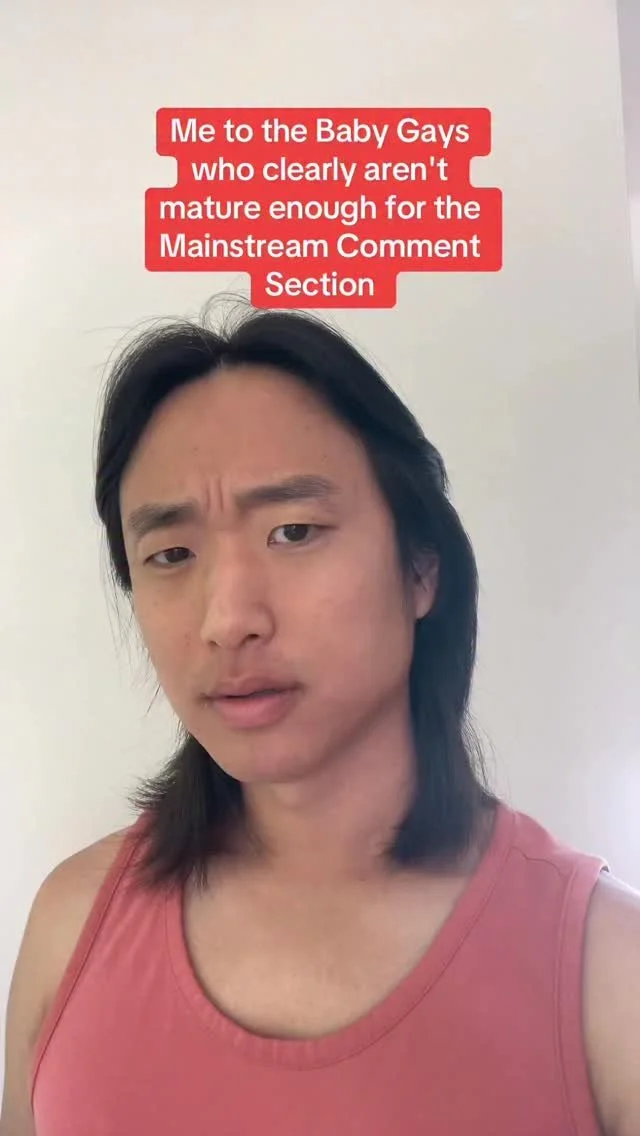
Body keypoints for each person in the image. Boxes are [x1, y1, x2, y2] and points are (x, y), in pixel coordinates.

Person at [1, 301, 638, 1136]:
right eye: (172, 554)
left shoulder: (607, 976)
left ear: (421, 568)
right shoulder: (70, 925)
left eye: (294, 531)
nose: (228, 619)